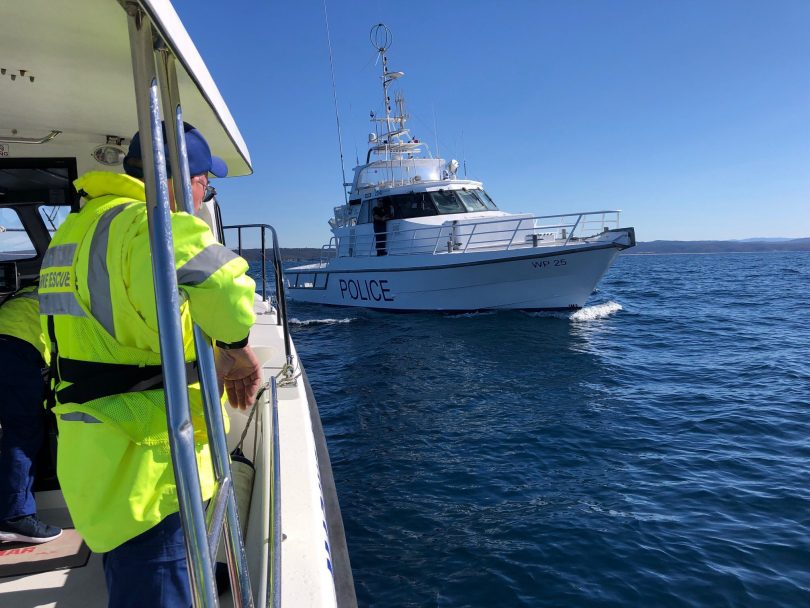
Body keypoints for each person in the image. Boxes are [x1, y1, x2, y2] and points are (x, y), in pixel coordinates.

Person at [38, 122, 261, 606]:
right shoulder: (146, 225)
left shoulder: (77, 229)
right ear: (181, 180)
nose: (205, 196)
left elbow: (122, 330)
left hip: (98, 461)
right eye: (206, 184)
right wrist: (236, 347)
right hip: (152, 472)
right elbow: (223, 284)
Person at [0, 284, 62, 544]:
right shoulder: (64, 292)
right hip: (15, 351)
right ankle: (16, 516)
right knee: (23, 433)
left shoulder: (31, 290)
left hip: (8, 346)